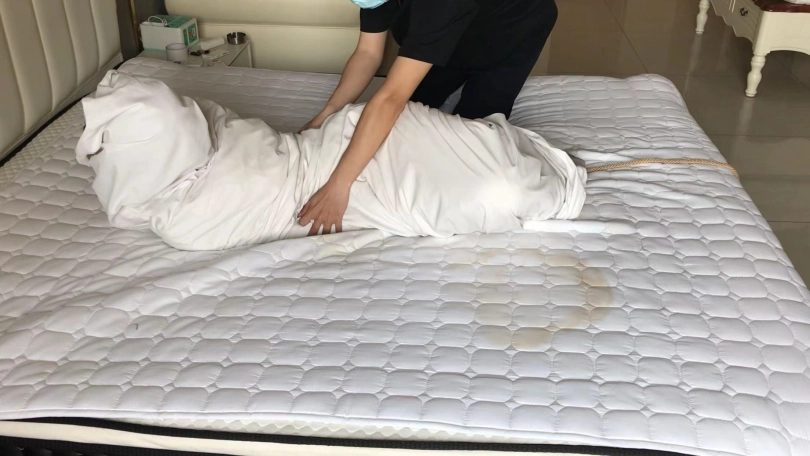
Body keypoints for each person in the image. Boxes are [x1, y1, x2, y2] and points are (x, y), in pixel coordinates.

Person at [77, 72, 585, 252]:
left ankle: (514, 150)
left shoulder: (212, 133)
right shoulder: (184, 220)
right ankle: (538, 172)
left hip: (355, 143)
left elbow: (390, 95)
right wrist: (322, 118)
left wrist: (337, 178)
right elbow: (367, 53)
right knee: (498, 195)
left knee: (475, 151)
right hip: (353, 185)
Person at [298, 0, 559, 237]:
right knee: (405, 121)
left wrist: (339, 185)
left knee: (470, 140)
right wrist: (328, 112)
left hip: (512, 28)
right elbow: (368, 53)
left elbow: (391, 99)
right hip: (454, 32)